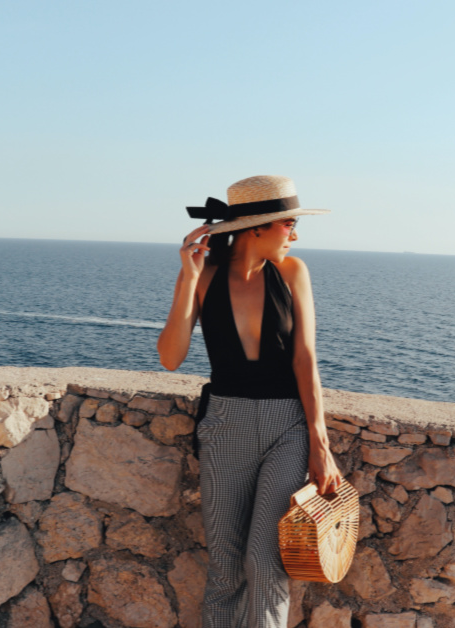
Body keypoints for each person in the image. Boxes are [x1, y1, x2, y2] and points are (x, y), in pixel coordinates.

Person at [157, 175, 344, 627]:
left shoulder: (293, 272)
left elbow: (305, 360)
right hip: (225, 425)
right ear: (257, 227)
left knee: (266, 562)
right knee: (224, 569)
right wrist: (188, 276)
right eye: (289, 224)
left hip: (287, 427)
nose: (295, 234)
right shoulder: (206, 279)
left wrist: (319, 445)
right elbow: (171, 358)